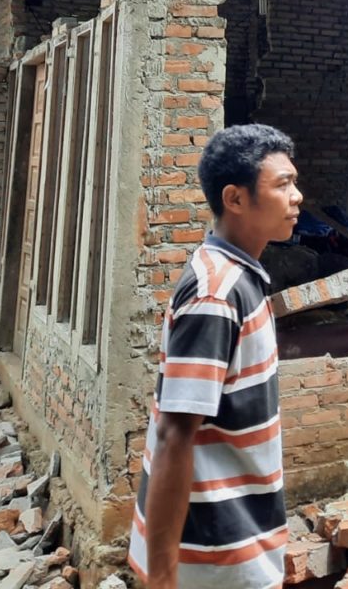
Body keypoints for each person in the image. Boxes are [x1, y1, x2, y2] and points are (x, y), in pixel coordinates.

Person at [128, 124, 302, 589]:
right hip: (209, 561)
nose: (297, 196)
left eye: (294, 182)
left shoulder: (240, 277)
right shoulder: (216, 296)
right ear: (236, 198)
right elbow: (173, 436)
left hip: (235, 540)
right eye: (282, 184)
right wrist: (162, 578)